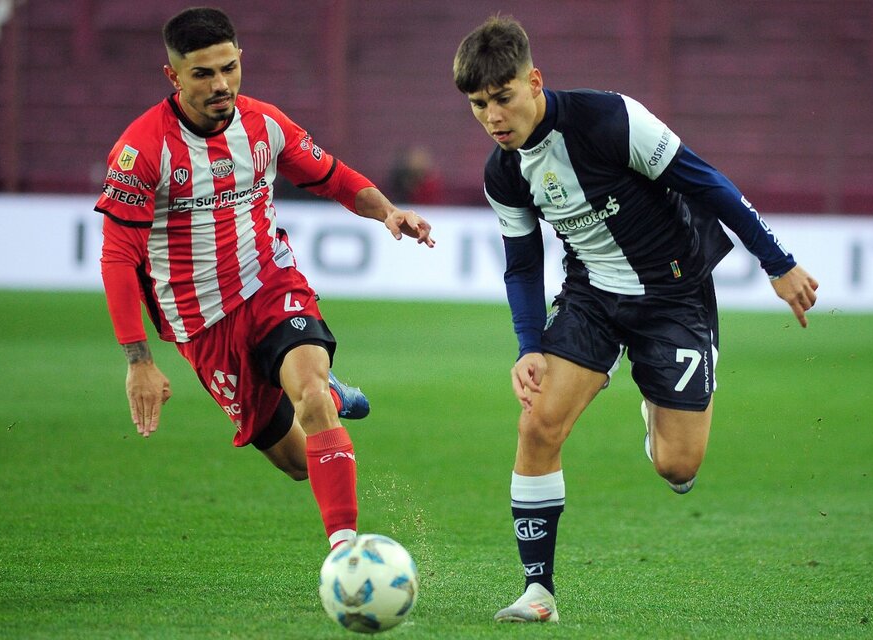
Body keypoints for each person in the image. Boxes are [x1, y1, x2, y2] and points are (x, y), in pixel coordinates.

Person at [453, 16, 818, 623]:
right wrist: (528, 346)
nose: (492, 117)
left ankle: (657, 409)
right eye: (478, 105)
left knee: (679, 468)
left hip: (674, 295)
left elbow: (707, 184)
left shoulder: (610, 119)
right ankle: (538, 590)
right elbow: (521, 267)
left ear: (534, 81)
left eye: (502, 98)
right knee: (538, 425)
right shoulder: (503, 173)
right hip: (592, 297)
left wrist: (776, 262)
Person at [97, 7, 435, 551]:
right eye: (203, 74)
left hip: (270, 285)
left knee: (313, 397)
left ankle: (345, 551)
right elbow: (117, 257)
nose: (221, 84)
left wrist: (387, 212)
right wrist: (138, 360)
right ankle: (314, 390)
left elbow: (332, 176)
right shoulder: (142, 151)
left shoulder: (265, 125)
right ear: (174, 77)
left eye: (229, 68)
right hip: (201, 322)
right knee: (299, 463)